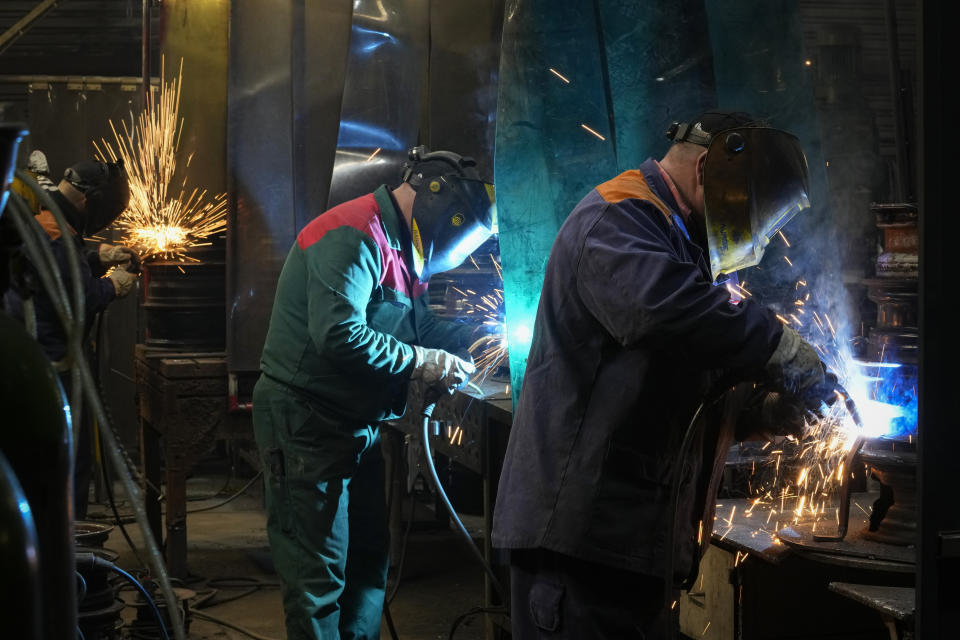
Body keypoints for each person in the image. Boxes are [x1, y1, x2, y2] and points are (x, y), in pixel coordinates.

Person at [491, 111, 839, 639]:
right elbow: (656, 309)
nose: (758, 234)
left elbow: (679, 381)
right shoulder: (617, 218)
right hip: (579, 550)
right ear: (708, 170)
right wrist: (777, 343)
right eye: (756, 211)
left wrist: (762, 413)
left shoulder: (680, 245)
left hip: (631, 551)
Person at [253, 145, 496, 639]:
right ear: (438, 201)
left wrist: (481, 342)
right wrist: (423, 362)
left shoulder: (407, 247)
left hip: (357, 427)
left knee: (368, 562)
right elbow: (338, 334)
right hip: (306, 423)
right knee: (318, 576)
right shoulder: (354, 233)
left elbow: (418, 325)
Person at [4, 158, 136, 519]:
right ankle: (70, 551)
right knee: (70, 459)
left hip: (34, 360)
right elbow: (79, 300)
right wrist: (113, 285)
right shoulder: (60, 238)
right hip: (54, 366)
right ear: (88, 203)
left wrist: (98, 256)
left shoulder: (48, 221)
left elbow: (62, 271)